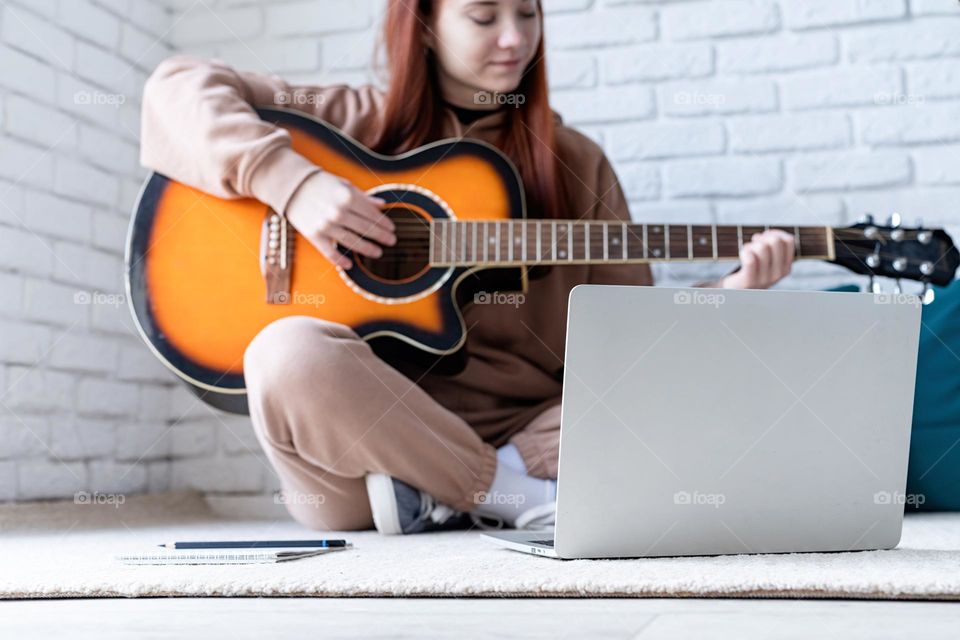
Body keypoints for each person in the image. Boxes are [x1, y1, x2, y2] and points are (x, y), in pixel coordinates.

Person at [140, 0, 795, 535]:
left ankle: (465, 490)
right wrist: (292, 182)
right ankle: (495, 490)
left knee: (715, 415)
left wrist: (730, 290)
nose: (514, 39)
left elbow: (630, 333)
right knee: (283, 353)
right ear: (424, 24)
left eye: (529, 15)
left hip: (536, 442)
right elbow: (177, 87)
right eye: (484, 18)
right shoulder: (355, 122)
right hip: (364, 470)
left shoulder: (576, 161)